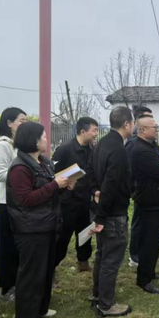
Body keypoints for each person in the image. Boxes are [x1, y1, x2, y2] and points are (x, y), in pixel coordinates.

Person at [6, 122, 72, 318]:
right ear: (32, 140)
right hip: (30, 228)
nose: (46, 139)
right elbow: (26, 199)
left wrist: (63, 187)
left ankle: (41, 308)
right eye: (43, 136)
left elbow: (47, 193)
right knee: (31, 275)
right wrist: (55, 185)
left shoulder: (43, 163)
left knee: (45, 271)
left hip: (47, 224)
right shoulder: (20, 168)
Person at [90, 106, 134, 317]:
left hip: (103, 209)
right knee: (111, 258)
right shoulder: (117, 149)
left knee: (102, 254)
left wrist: (94, 192)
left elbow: (91, 173)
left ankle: (98, 295)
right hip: (112, 213)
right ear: (126, 124)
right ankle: (106, 305)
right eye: (132, 123)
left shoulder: (101, 144)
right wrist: (101, 216)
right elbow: (111, 183)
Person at [0, 107, 28, 301]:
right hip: (5, 203)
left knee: (19, 247)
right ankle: (6, 288)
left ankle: (19, 284)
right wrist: (25, 173)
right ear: (9, 123)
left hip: (20, 202)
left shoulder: (19, 144)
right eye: (21, 120)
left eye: (26, 120)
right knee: (7, 248)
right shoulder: (3, 145)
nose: (25, 124)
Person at [131, 115, 159, 294]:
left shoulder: (152, 146)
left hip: (158, 203)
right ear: (142, 130)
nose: (157, 129)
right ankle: (143, 279)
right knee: (149, 242)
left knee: (155, 241)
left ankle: (150, 271)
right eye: (154, 127)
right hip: (150, 203)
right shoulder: (140, 149)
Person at [53, 116, 98, 273]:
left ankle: (83, 261)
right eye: (94, 131)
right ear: (83, 131)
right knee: (63, 236)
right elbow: (53, 174)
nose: (96, 134)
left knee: (85, 233)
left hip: (85, 200)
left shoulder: (92, 150)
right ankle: (52, 266)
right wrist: (65, 184)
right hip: (67, 202)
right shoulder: (64, 150)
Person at [126, 106, 153, 268]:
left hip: (150, 191)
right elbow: (129, 169)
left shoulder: (149, 142)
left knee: (146, 225)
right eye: (147, 117)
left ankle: (143, 253)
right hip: (140, 190)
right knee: (138, 223)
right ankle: (134, 255)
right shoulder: (133, 143)